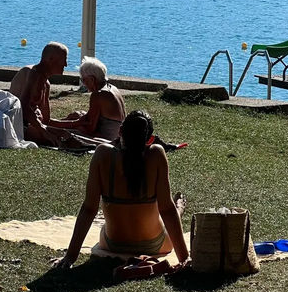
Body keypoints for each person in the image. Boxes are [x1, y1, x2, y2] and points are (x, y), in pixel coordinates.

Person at [52, 110, 189, 268]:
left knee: (105, 225)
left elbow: (89, 209)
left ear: (120, 131)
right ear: (150, 139)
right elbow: (167, 210)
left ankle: (178, 208)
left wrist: (70, 257)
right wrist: (184, 259)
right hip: (155, 245)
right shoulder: (157, 154)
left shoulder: (102, 154)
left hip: (113, 244)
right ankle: (180, 208)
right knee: (171, 211)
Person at [50, 56, 125, 142]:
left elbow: (90, 128)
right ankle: (53, 123)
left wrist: (75, 124)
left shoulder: (98, 95)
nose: (84, 84)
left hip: (107, 137)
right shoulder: (112, 88)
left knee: (66, 131)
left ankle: (50, 125)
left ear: (92, 79)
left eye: (83, 80)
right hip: (116, 134)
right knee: (77, 115)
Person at [10, 42, 69, 146]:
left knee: (73, 133)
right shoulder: (32, 74)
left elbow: (46, 120)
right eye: (63, 59)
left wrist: (76, 123)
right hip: (18, 126)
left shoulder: (45, 83)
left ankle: (103, 144)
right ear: (50, 59)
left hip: (32, 125)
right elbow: (23, 106)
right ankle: (101, 146)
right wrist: (45, 133)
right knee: (67, 138)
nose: (65, 64)